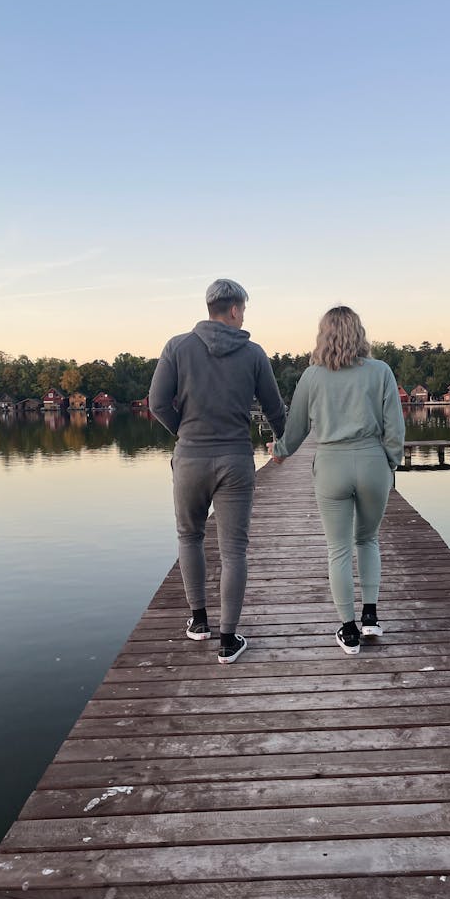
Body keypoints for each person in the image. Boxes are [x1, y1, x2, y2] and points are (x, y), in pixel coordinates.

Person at [149, 279, 286, 664]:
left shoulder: (176, 347)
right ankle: (228, 640)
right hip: (235, 461)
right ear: (234, 310)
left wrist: (183, 431)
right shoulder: (254, 353)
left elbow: (157, 402)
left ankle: (198, 623)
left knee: (189, 537)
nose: (244, 316)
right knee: (234, 550)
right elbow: (275, 409)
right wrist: (283, 443)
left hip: (190, 458)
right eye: (243, 310)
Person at [269, 305, 405, 654]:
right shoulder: (381, 371)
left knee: (339, 549)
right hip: (372, 461)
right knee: (368, 540)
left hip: (331, 465)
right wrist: (390, 463)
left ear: (323, 335)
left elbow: (296, 425)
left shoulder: (312, 376)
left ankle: (348, 630)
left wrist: (281, 450)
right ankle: (371, 617)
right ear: (360, 333)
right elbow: (395, 428)